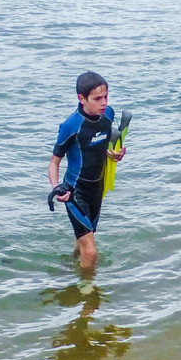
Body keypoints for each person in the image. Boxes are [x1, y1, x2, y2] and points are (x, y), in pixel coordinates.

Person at [47, 71, 125, 272]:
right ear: (81, 99)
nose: (104, 103)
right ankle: (88, 296)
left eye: (106, 97)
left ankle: (68, 271)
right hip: (75, 192)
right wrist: (57, 188)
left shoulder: (107, 116)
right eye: (97, 98)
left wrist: (114, 155)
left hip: (97, 190)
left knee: (82, 242)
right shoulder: (71, 125)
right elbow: (54, 162)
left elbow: (105, 144)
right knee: (91, 252)